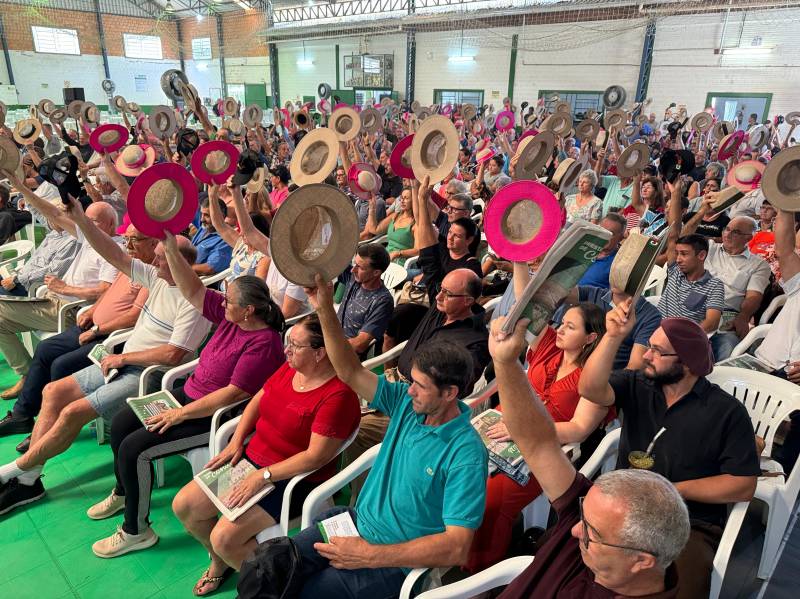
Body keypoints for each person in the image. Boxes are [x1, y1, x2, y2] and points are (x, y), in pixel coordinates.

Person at [0, 198, 212, 516]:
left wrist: (124, 359)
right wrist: (82, 220)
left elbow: (173, 354)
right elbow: (111, 252)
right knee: (52, 390)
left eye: (160, 258)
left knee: (72, 412)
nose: (152, 264)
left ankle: (16, 471)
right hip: (122, 361)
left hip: (147, 376)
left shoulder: (196, 301)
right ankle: (29, 479)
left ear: (179, 263)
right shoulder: (158, 278)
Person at [279, 275, 486, 599]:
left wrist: (367, 555)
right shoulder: (408, 402)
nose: (410, 390)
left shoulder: (465, 454)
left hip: (390, 561)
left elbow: (457, 547)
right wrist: (324, 311)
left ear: (450, 394)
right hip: (353, 522)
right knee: (273, 566)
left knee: (309, 592)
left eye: (420, 386)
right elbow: (350, 371)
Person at [90, 240, 286, 559]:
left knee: (134, 448)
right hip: (188, 396)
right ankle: (126, 492)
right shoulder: (229, 317)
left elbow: (232, 394)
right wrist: (168, 243)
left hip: (212, 417)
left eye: (230, 300)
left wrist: (179, 415)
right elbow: (193, 289)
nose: (222, 302)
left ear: (248, 310)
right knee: (124, 421)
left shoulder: (263, 344)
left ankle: (136, 531)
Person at [486, 316, 690, 598]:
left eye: (591, 532)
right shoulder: (600, 529)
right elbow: (539, 444)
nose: (573, 531)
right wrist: (506, 363)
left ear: (641, 561)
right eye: (582, 517)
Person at [172, 313, 360, 595]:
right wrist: (236, 441)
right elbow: (258, 400)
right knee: (184, 505)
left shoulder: (338, 396)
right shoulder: (291, 368)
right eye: (288, 342)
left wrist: (264, 475)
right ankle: (223, 563)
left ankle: (272, 587)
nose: (286, 350)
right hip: (253, 460)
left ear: (320, 353)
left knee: (225, 537)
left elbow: (316, 457)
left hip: (293, 479)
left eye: (295, 345)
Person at [579, 308, 759, 599]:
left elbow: (743, 484)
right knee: (572, 561)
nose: (647, 356)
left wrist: (673, 492)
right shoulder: (638, 385)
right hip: (620, 511)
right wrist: (612, 336)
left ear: (687, 363)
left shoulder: (726, 413)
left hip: (689, 524)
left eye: (657, 351)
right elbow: (589, 388)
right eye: (649, 346)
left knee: (681, 586)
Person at [467, 299, 610, 573]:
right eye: (561, 323)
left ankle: (481, 574)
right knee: (452, 467)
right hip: (500, 425)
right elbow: (530, 301)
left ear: (590, 338)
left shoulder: (594, 378)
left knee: (492, 501)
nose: (560, 330)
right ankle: (446, 541)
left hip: (545, 450)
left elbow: (580, 428)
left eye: (570, 326)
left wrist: (523, 429)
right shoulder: (549, 350)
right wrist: (521, 258)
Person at [0, 226, 154, 445]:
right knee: (45, 350)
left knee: (61, 365)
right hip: (91, 326)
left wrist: (97, 330)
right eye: (126, 239)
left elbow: (133, 317)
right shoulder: (130, 265)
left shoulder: (151, 274)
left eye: (134, 241)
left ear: (154, 243)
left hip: (110, 337)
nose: (127, 245)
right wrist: (92, 310)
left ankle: (48, 432)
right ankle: (22, 415)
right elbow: (107, 293)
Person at [0, 170, 120, 399]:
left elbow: (106, 291)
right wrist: (22, 187)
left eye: (94, 221)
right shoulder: (88, 235)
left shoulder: (114, 250)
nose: (88, 225)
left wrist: (67, 289)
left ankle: (28, 380)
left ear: (111, 223)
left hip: (71, 310)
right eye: (87, 220)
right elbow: (52, 212)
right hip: (54, 299)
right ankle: (26, 374)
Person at [683, 211, 771, 360]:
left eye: (735, 232)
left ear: (749, 238)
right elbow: (683, 237)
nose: (728, 234)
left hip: (726, 316)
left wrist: (744, 316)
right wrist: (703, 209)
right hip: (693, 307)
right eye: (727, 229)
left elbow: (754, 296)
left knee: (728, 350)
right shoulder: (709, 248)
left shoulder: (759, 265)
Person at [658, 189, 725, 333]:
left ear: (701, 256)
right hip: (655, 329)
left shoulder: (714, 285)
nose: (678, 258)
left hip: (682, 338)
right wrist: (676, 191)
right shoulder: (675, 270)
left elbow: (711, 323)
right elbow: (673, 234)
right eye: (677, 253)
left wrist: (682, 337)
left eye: (684, 254)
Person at [205, 183, 270, 289]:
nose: (240, 234)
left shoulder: (264, 257)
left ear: (257, 233)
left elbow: (257, 290)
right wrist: (212, 195)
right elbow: (219, 225)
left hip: (239, 301)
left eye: (244, 232)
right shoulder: (242, 245)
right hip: (225, 295)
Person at [336, 243, 394, 357]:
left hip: (347, 355)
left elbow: (360, 344)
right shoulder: (354, 277)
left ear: (376, 272)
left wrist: (330, 345)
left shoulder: (382, 301)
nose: (353, 270)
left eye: (360, 267)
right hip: (332, 337)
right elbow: (332, 259)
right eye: (354, 264)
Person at [0, 217, 79, 298]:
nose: (47, 219)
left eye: (50, 215)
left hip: (30, 285)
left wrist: (16, 280)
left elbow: (53, 272)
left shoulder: (72, 241)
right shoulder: (55, 233)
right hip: (21, 274)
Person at [364, 187, 417, 265]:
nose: (402, 201)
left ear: (414, 201)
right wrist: (372, 208)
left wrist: (398, 253)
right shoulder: (395, 216)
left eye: (406, 198)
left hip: (402, 262)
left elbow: (418, 250)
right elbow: (374, 229)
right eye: (401, 198)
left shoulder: (416, 223)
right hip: (386, 258)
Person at [576, 212, 626, 288]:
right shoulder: (582, 248)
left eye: (610, 233)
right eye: (602, 230)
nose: (604, 236)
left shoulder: (618, 264)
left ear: (620, 238)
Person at [191, 196, 234, 277]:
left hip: (195, 280)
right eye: (202, 214)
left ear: (220, 216)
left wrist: (183, 267)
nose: (202, 219)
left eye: (207, 215)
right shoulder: (205, 227)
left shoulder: (225, 240)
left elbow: (210, 268)